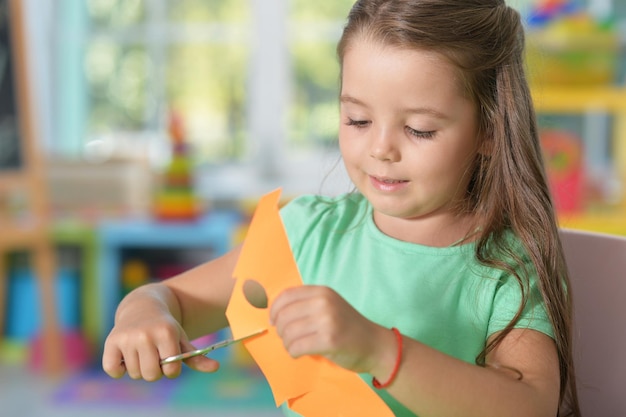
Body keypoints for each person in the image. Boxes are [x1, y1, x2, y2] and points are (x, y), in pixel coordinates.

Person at [102, 0, 582, 416]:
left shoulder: (508, 265)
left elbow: (530, 406)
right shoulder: (305, 233)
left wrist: (378, 350)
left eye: (419, 129)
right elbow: (172, 299)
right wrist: (142, 316)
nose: (381, 149)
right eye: (358, 119)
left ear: (490, 132)